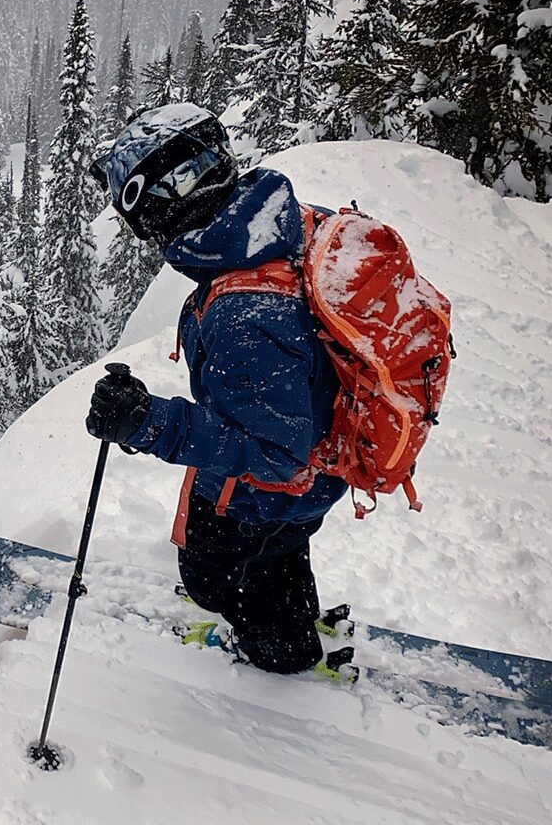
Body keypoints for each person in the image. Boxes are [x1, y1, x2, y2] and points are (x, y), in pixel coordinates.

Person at [83, 103, 348, 677]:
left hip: (276, 484)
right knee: (276, 547)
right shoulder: (285, 224)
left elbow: (273, 457)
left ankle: (283, 651)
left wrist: (147, 422)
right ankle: (288, 608)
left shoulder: (244, 311)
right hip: (325, 459)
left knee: (210, 575)